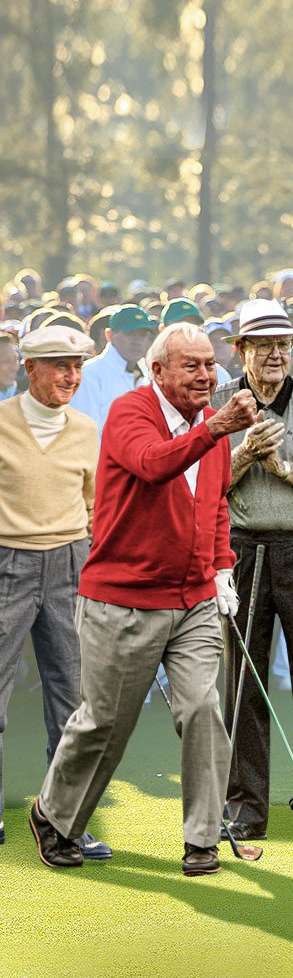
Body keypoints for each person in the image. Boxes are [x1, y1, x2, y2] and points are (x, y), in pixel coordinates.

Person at [30, 323, 258, 876]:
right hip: (123, 599)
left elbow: (217, 504)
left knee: (205, 709)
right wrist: (219, 427)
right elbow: (156, 464)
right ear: (158, 372)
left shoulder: (211, 426)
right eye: (192, 366)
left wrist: (222, 565)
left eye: (210, 364)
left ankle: (201, 840)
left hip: (196, 598)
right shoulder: (130, 413)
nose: (206, 376)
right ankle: (55, 816)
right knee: (106, 721)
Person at [212, 300, 293, 840]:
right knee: (243, 684)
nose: (275, 354)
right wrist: (243, 455)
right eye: (263, 345)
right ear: (241, 350)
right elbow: (203, 484)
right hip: (241, 549)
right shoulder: (220, 404)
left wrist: (280, 466)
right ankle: (245, 810)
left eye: (283, 345)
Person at [0, 327, 110, 858]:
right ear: (30, 369)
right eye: (59, 366)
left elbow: (95, 506)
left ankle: (65, 817)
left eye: (77, 366)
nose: (71, 376)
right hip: (7, 564)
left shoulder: (86, 428)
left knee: (72, 699)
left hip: (70, 564)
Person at [69, 304, 158, 430]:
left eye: (142, 334)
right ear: (109, 335)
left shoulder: (147, 373)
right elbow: (86, 434)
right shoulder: (89, 375)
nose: (137, 341)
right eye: (130, 333)